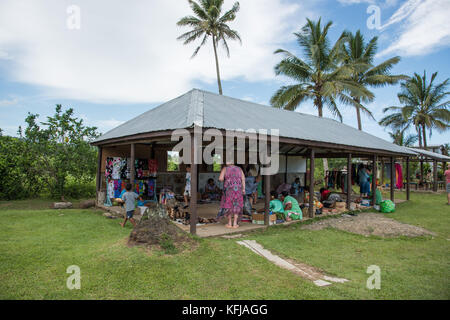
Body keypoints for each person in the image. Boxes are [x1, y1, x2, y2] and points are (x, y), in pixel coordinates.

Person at [219, 161, 245, 229]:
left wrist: (227, 178)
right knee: (236, 205)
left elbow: (221, 179)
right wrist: (243, 189)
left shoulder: (225, 169)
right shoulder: (239, 169)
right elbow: (243, 179)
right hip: (238, 190)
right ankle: (235, 223)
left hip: (229, 190)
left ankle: (229, 223)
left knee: (229, 205)